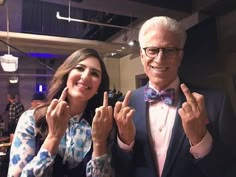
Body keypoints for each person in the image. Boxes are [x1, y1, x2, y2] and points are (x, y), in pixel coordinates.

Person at [112, 16, 236, 177]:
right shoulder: (125, 105)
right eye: (152, 50)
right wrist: (125, 142)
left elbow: (229, 168)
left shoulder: (216, 102)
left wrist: (200, 139)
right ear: (142, 56)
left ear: (180, 56)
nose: (160, 58)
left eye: (169, 50)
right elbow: (119, 167)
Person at [8, 48, 113, 177]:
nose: (85, 76)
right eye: (80, 68)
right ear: (67, 74)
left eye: (95, 73)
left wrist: (99, 142)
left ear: (99, 86)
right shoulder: (31, 119)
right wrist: (53, 137)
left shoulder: (102, 125)